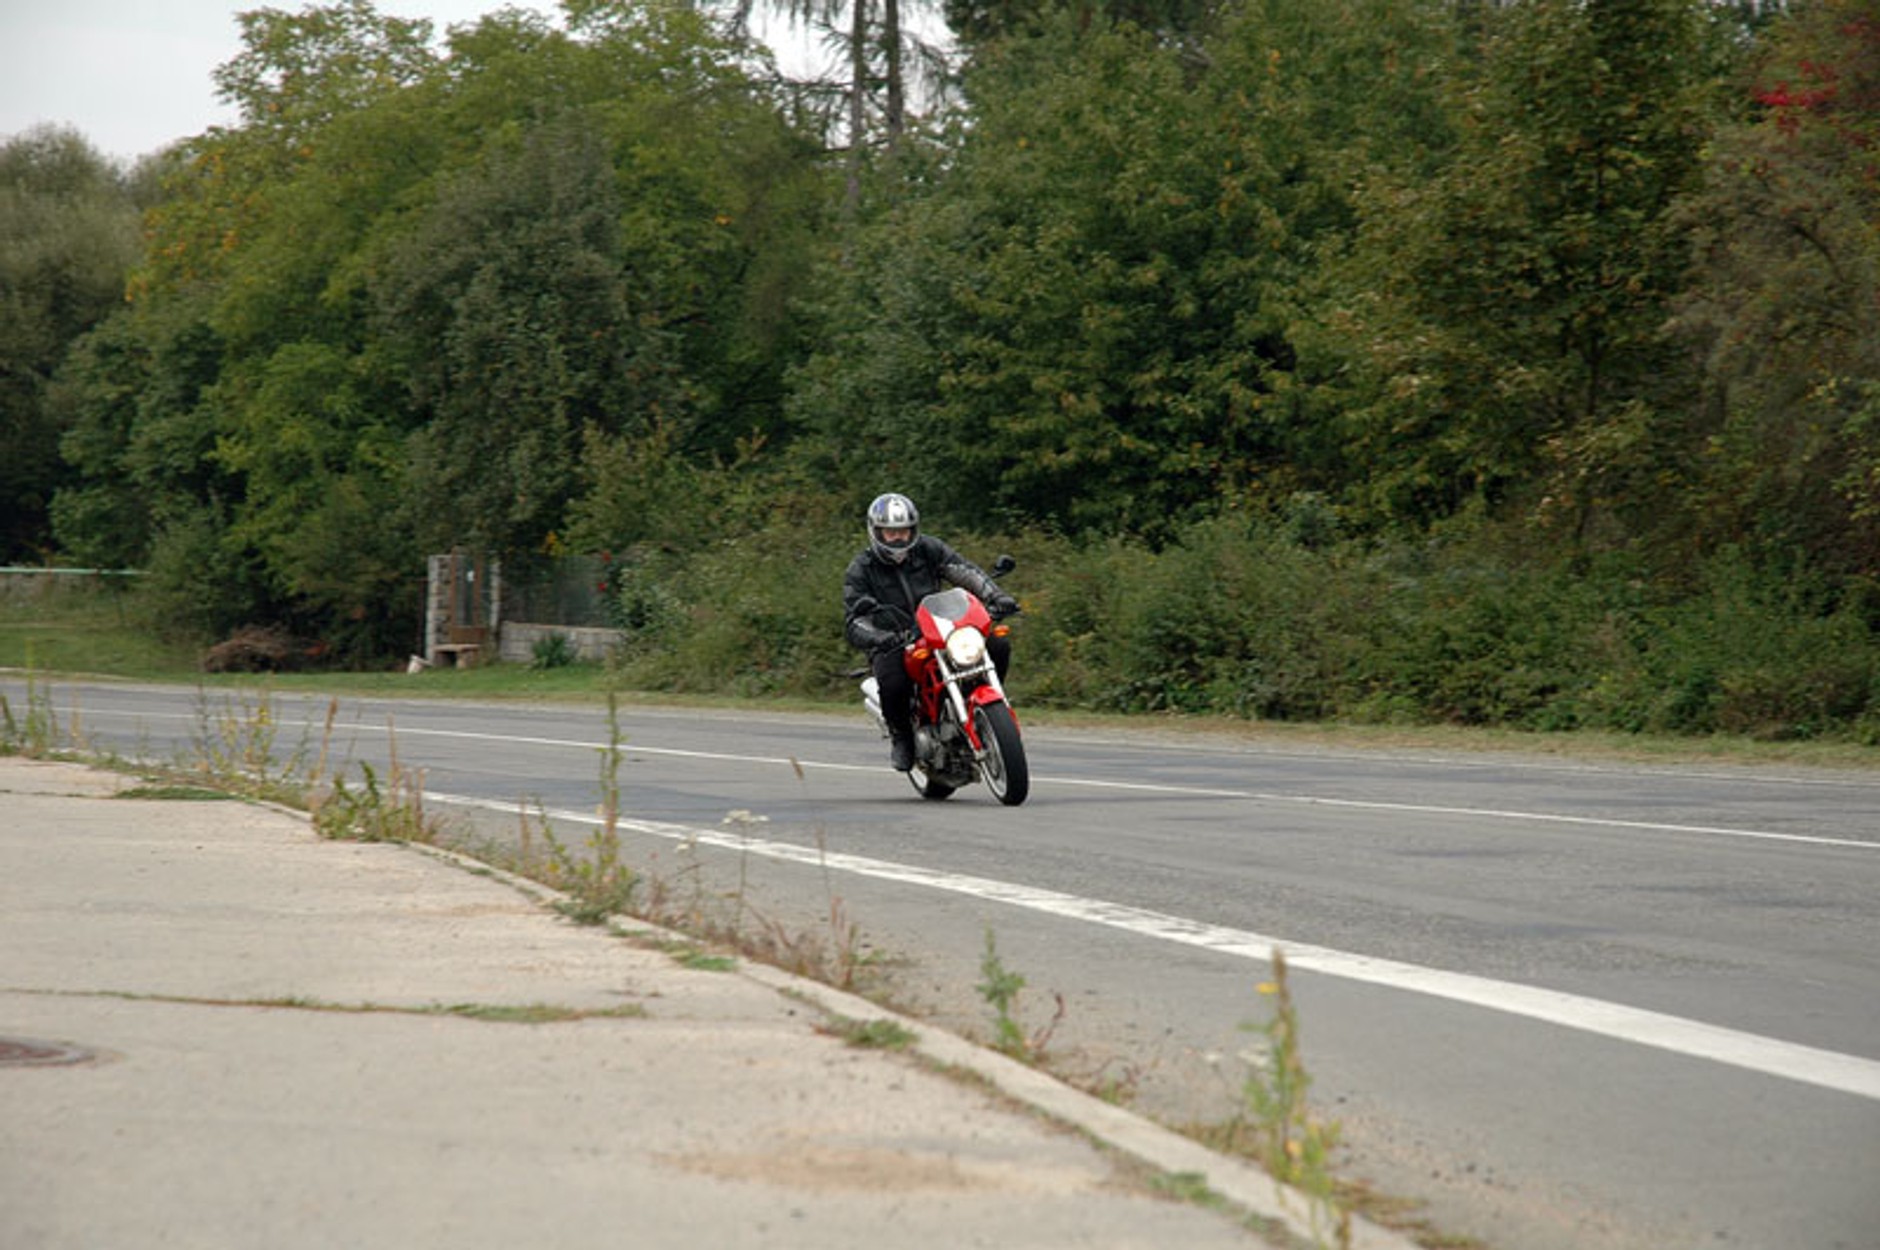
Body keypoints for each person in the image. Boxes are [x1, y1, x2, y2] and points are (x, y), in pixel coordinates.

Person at [843, 493, 1018, 771]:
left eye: (904, 531)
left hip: (938, 628)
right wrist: (880, 636)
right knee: (893, 682)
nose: (899, 538)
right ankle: (902, 739)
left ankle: (988, 710)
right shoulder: (862, 568)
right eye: (891, 532)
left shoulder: (928, 549)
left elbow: (964, 570)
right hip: (895, 639)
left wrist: (995, 596)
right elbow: (854, 620)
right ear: (876, 532)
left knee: (997, 646)